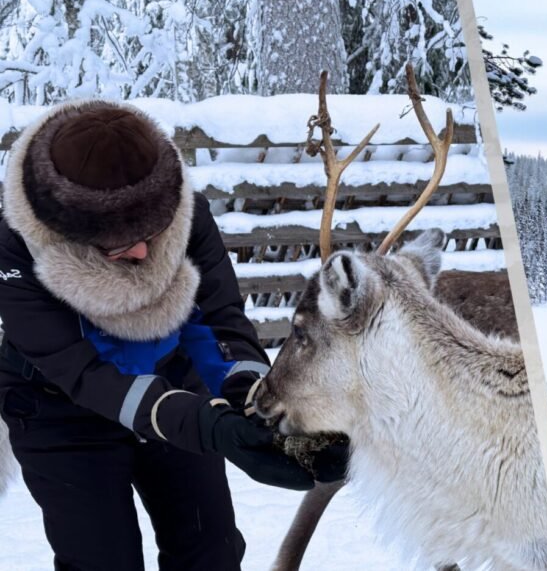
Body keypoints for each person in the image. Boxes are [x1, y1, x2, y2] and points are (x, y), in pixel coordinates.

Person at [0, 100, 346, 570]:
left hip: (175, 383)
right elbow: (83, 372)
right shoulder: (15, 251)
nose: (145, 249)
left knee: (211, 552)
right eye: (120, 243)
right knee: (101, 560)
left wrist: (253, 407)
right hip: (59, 409)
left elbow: (219, 320)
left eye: (154, 230)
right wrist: (207, 426)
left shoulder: (184, 212)